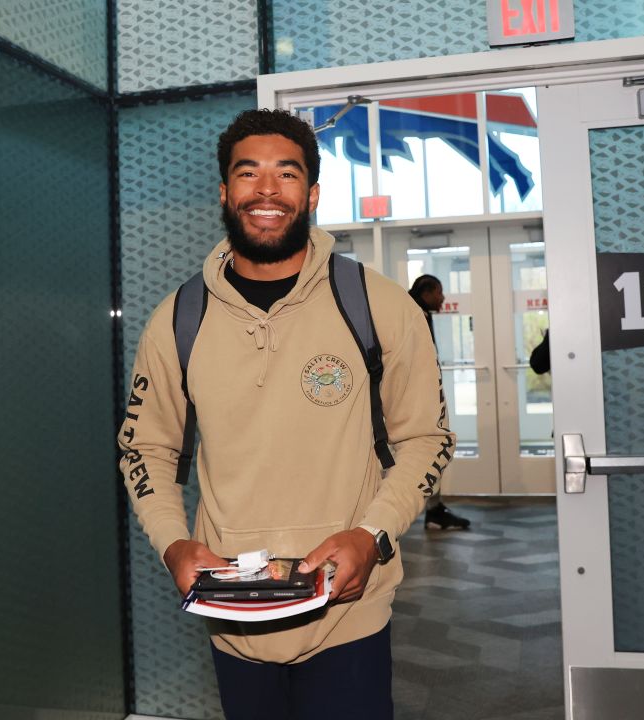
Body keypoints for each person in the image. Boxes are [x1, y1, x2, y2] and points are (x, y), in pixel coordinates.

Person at [117, 108, 455, 720]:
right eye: (248, 174)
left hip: (348, 615)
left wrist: (370, 536)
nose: (267, 190)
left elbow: (427, 440)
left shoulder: (376, 304)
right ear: (224, 191)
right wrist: (173, 545)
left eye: (287, 173)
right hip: (233, 617)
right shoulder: (176, 320)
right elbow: (146, 449)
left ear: (314, 192)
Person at [407, 275, 472, 530]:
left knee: (435, 449)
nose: (443, 298)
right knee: (429, 448)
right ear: (427, 292)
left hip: (424, 395)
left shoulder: (422, 312)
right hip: (413, 400)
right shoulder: (410, 312)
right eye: (439, 291)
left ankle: (434, 509)